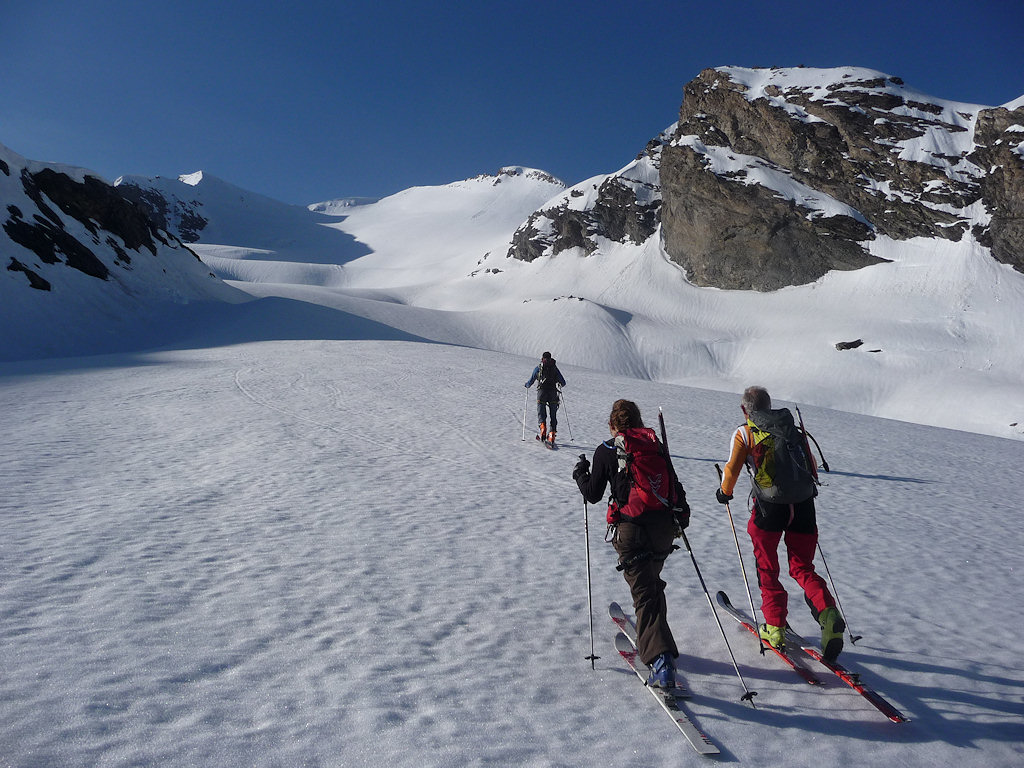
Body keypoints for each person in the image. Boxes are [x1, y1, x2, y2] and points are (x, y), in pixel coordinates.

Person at [716, 385, 845, 660]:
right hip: (803, 506)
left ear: (745, 409)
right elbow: (810, 466)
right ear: (770, 405)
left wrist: (724, 493)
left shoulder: (745, 432)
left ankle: (774, 627)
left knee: (767, 566)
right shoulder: (792, 430)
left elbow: (732, 469)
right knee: (802, 567)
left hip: (769, 509)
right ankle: (828, 614)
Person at [573, 399, 690, 688]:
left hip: (631, 531)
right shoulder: (654, 445)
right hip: (664, 529)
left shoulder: (607, 450)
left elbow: (593, 494)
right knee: (652, 584)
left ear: (613, 424)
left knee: (645, 595)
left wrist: (580, 475)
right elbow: (674, 484)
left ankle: (661, 661)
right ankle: (655, 635)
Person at [524, 352, 566, 446]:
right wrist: (558, 383)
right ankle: (552, 434)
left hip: (541, 392)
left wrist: (527, 385)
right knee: (553, 414)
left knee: (541, 412)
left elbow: (531, 380)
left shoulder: (539, 368)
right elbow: (563, 382)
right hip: (553, 393)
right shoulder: (554, 368)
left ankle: (543, 428)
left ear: (542, 358)